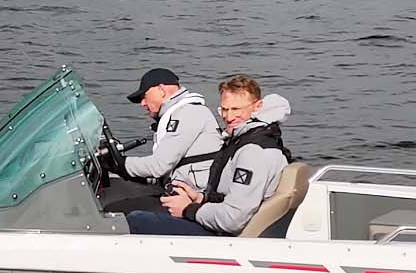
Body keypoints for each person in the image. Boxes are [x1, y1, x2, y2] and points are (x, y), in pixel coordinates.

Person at [126, 75, 292, 236]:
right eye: (224, 109)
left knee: (137, 220)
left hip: (224, 236)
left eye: (236, 109)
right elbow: (228, 198)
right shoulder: (245, 140)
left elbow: (232, 219)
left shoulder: (254, 152)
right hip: (217, 223)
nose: (228, 117)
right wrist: (200, 198)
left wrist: (188, 209)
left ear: (257, 106)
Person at [100, 68, 221, 212]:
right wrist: (123, 169)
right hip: (178, 191)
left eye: (144, 96)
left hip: (192, 198)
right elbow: (162, 171)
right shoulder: (180, 114)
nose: (142, 103)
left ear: (161, 90)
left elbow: (159, 166)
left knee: (113, 211)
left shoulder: (189, 113)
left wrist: (120, 164)